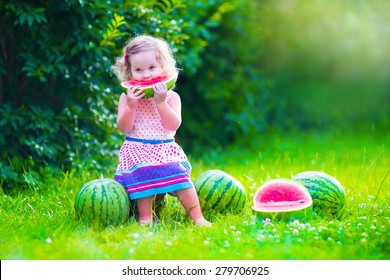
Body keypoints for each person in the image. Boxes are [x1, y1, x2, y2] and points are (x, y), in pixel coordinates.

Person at [112, 35, 211, 227]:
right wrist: (131, 107)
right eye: (138, 70)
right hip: (136, 150)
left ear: (163, 68)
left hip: (165, 150)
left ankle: (197, 217)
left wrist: (160, 102)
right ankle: (145, 219)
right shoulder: (127, 98)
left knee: (182, 180)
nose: (146, 75)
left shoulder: (172, 97)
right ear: (129, 73)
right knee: (142, 182)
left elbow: (173, 125)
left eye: (151, 68)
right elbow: (123, 127)